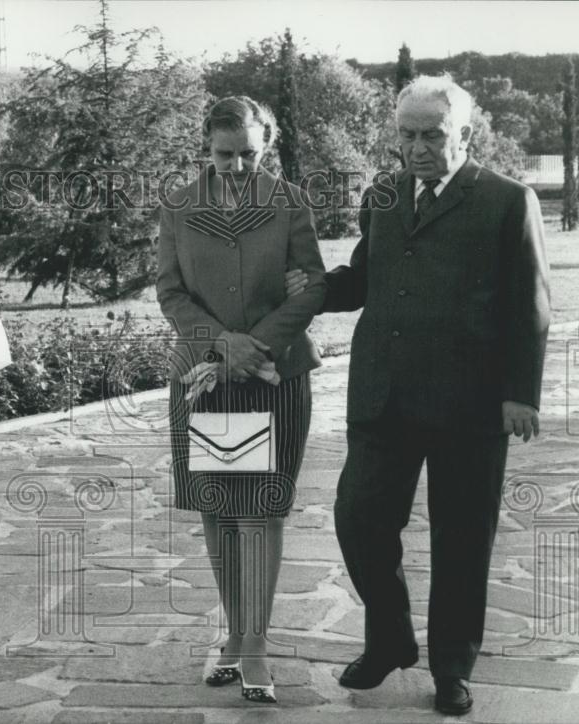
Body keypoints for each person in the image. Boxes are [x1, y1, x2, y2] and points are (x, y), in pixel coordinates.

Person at [316, 75, 550, 716]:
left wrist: (519, 394)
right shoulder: (385, 196)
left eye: (432, 135)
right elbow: (367, 276)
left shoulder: (508, 201)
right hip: (384, 395)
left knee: (462, 539)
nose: (416, 148)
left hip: (470, 405)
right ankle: (391, 638)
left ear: (465, 135)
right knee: (357, 517)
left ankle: (452, 670)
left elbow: (529, 305)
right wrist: (305, 287)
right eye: (406, 135)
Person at [157, 96, 327, 705]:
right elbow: (170, 292)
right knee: (221, 509)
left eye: (249, 154)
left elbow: (313, 287)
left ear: (267, 147)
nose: (236, 165)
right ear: (206, 146)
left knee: (260, 510)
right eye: (225, 154)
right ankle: (234, 634)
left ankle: (253, 643)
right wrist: (221, 343)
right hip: (207, 376)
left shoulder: (288, 203)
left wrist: (256, 346)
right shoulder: (179, 206)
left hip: (273, 376)